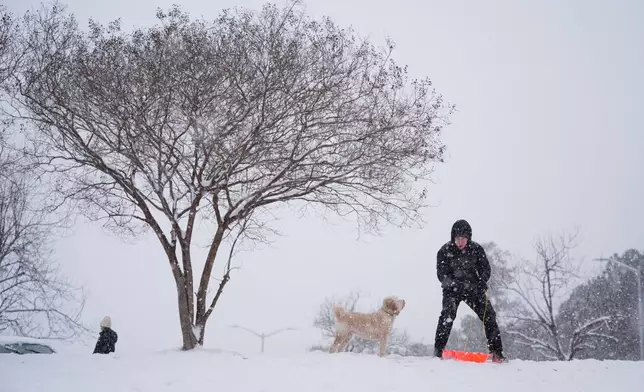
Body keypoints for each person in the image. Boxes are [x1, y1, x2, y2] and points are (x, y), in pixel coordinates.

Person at [433, 219, 506, 363]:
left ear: (468, 238)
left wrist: (482, 280)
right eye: (458, 238)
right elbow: (442, 275)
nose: (461, 242)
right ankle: (438, 351)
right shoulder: (444, 251)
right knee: (447, 316)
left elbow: (486, 269)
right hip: (452, 291)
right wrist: (454, 284)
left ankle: (497, 352)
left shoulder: (476, 249)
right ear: (453, 237)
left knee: (489, 315)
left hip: (473, 289)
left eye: (464, 239)